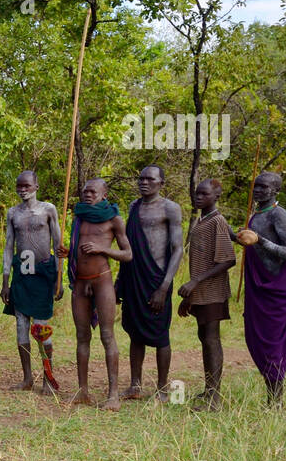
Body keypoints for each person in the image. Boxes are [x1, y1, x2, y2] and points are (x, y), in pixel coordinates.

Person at [58, 178, 132, 410]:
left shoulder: (114, 219)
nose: (87, 195)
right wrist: (68, 252)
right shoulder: (79, 217)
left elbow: (128, 254)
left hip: (102, 281)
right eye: (85, 191)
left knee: (107, 335)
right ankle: (82, 391)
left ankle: (113, 396)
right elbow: (79, 249)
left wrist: (103, 249)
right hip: (80, 283)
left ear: (104, 194)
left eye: (93, 192)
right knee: (82, 336)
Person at [234, 171, 286, 403]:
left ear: (276, 191)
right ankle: (272, 395)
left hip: (279, 287)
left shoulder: (278, 214)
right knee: (256, 337)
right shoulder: (256, 214)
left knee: (273, 343)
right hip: (259, 286)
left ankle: (275, 401)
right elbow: (252, 241)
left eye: (264, 187)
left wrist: (259, 241)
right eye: (256, 186)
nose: (258, 190)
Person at [118, 166, 183, 401]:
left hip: (157, 279)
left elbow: (178, 249)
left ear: (161, 183)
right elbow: (127, 246)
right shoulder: (134, 207)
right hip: (134, 278)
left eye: (150, 179)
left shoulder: (170, 208)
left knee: (160, 335)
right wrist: (120, 283)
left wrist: (164, 287)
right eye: (141, 178)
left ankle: (163, 388)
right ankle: (135, 385)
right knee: (135, 334)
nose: (144, 182)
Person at [1, 170, 63, 393]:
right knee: (20, 327)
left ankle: (48, 378)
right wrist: (5, 280)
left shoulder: (48, 210)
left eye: (27, 185)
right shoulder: (13, 213)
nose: (23, 190)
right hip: (21, 274)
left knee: (41, 328)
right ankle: (27, 379)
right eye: (19, 186)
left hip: (43, 273)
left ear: (36, 186)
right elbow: (9, 246)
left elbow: (58, 247)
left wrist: (59, 278)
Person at [177, 179, 236, 409]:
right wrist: (190, 296)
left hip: (213, 291)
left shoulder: (217, 221)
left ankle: (214, 398)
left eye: (204, 194)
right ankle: (209, 390)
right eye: (197, 193)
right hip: (201, 292)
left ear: (216, 196)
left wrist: (195, 282)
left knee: (211, 339)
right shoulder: (203, 221)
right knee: (205, 338)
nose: (198, 197)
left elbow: (228, 259)